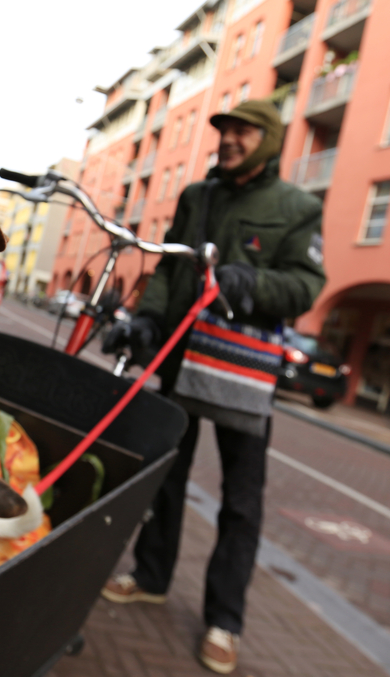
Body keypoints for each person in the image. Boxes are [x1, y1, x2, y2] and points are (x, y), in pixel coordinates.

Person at [99, 99, 326, 674]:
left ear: (269, 139)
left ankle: (225, 620)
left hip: (240, 369)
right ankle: (150, 576)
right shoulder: (196, 195)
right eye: (224, 131)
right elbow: (172, 267)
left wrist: (254, 283)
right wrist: (149, 318)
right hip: (178, 353)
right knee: (166, 476)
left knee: (242, 500)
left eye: (243, 132)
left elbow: (306, 283)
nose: (229, 140)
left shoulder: (297, 206)